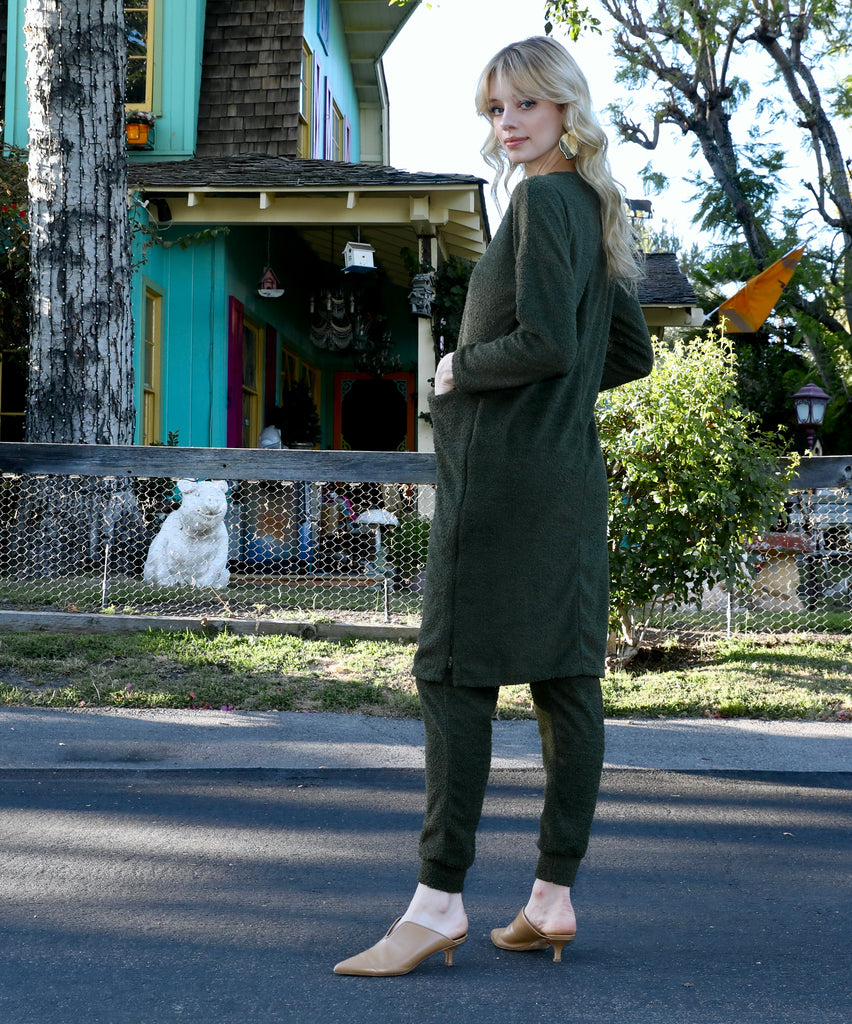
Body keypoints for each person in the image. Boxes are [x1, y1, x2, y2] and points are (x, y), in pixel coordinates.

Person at [333, 36, 654, 977]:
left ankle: (437, 904)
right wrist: (553, 395)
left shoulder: (545, 202)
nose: (507, 123)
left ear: (565, 108)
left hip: (501, 482)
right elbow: (626, 354)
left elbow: (548, 343)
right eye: (495, 109)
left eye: (524, 105)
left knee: (451, 676)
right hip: (566, 479)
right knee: (565, 680)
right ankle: (552, 897)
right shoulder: (592, 206)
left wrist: (459, 368)